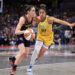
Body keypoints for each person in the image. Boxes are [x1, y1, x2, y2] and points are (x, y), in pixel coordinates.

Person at [27, 7, 75, 72]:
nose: (41, 14)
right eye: (40, 13)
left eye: (43, 13)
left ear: (45, 13)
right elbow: (33, 24)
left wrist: (69, 24)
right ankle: (31, 65)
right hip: (40, 36)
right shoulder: (37, 18)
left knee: (41, 53)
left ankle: (37, 58)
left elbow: (60, 21)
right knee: (36, 50)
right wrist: (33, 19)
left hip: (48, 38)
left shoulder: (49, 19)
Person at [9, 5, 36, 75]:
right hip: (20, 35)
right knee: (22, 52)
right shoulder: (23, 18)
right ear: (28, 11)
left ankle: (13, 58)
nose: (34, 12)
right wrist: (26, 31)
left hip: (26, 36)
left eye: (34, 10)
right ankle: (14, 68)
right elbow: (16, 32)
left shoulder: (33, 18)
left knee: (26, 55)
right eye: (33, 10)